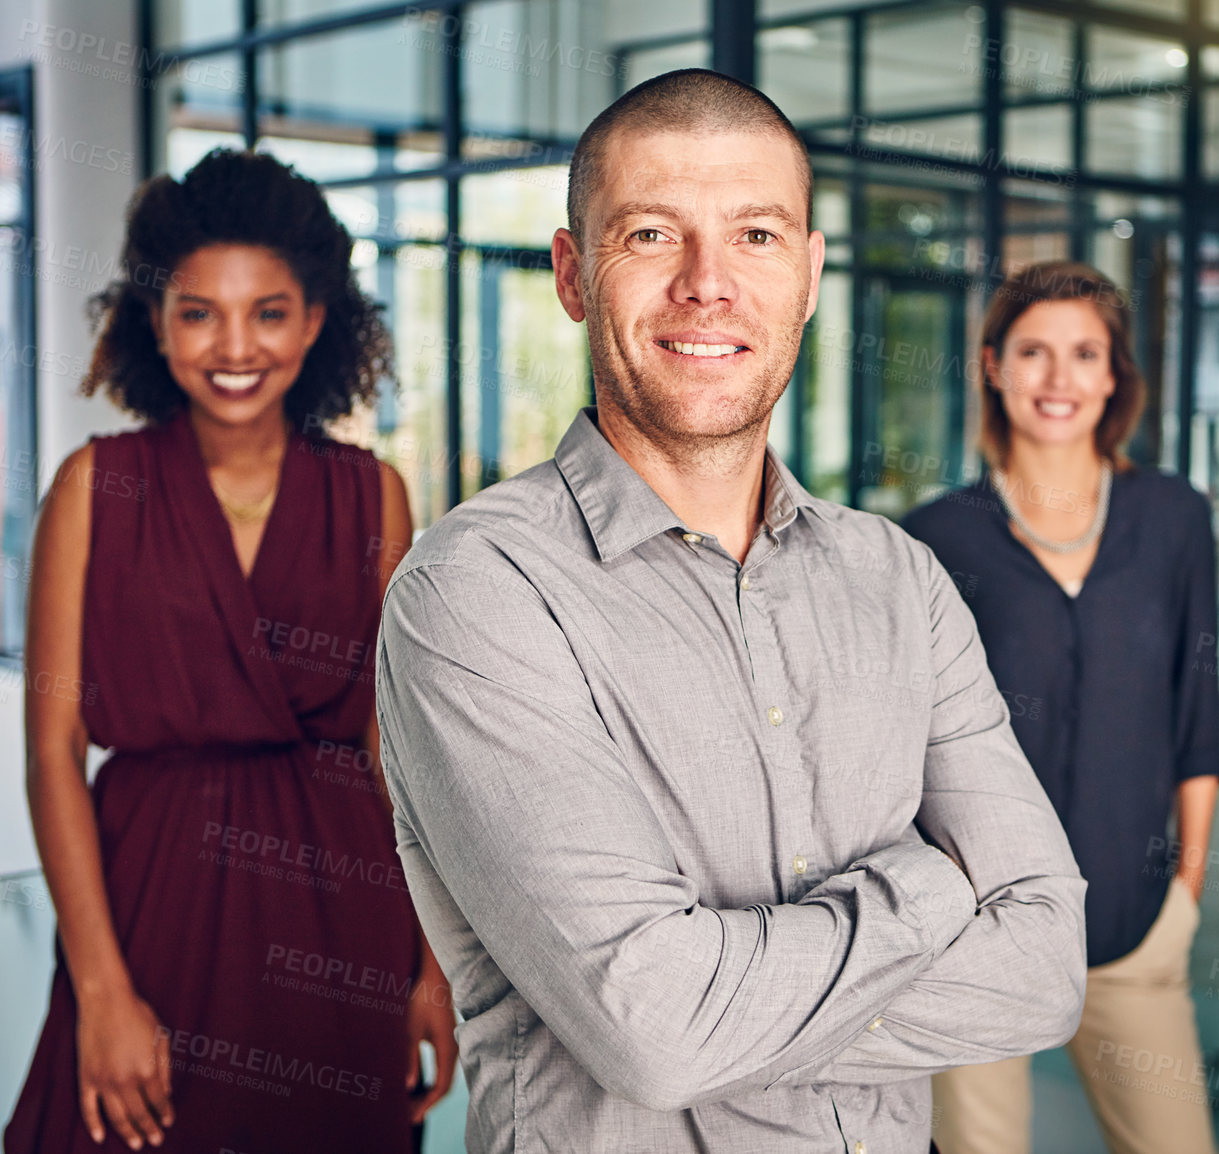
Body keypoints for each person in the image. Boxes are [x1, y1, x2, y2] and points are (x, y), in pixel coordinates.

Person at [372, 68, 1086, 1154]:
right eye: (652, 234)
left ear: (807, 275)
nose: (707, 285)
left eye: (755, 235)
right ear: (572, 274)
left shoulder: (900, 579)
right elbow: (657, 1031)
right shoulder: (474, 597)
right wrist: (934, 887)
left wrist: (726, 1000)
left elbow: (1043, 968)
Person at [5, 149, 457, 1154]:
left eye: (268, 311)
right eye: (199, 310)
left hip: (346, 926)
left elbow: (403, 756)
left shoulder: (373, 493)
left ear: (316, 320)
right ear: (153, 324)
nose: (234, 345)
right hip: (148, 912)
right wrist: (101, 990)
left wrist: (432, 964)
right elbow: (51, 754)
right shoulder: (95, 486)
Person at [902, 261, 1219, 1154]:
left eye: (1086, 354)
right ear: (992, 365)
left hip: (1135, 927)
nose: (1059, 379)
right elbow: (911, 753)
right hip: (979, 936)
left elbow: (1198, 725)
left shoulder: (1174, 520)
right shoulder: (933, 541)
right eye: (1034, 352)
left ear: (1116, 374)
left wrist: (1185, 898)